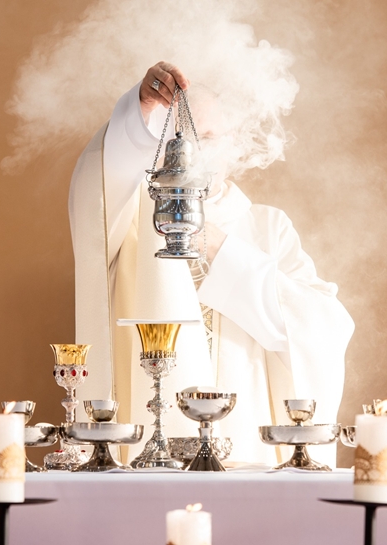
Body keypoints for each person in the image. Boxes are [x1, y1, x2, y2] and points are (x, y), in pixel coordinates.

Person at [70, 62, 355, 465]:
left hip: (248, 451)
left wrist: (219, 248)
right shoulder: (130, 219)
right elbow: (96, 188)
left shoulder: (268, 227)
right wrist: (139, 110)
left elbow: (324, 327)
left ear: (234, 144)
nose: (194, 153)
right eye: (180, 139)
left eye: (208, 139)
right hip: (151, 455)